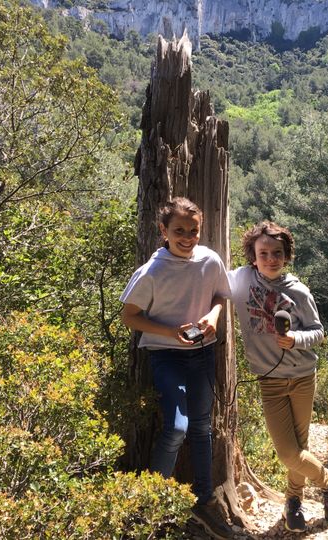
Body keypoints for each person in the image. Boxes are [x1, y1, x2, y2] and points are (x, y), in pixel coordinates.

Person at [119, 197, 234, 540]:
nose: (187, 237)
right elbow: (129, 316)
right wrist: (171, 332)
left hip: (201, 352)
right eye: (179, 231)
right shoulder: (152, 271)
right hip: (166, 355)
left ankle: (203, 499)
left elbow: (219, 295)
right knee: (176, 427)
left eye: (193, 231)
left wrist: (212, 318)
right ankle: (151, 503)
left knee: (201, 427)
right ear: (163, 231)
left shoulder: (210, 260)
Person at [227, 221, 328, 533]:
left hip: (303, 377)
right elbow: (211, 282)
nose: (270, 258)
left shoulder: (298, 291)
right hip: (270, 380)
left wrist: (295, 338)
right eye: (263, 252)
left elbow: (319, 332)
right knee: (289, 452)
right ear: (253, 255)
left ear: (286, 255)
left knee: (300, 445)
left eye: (276, 253)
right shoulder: (241, 280)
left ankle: (292, 501)